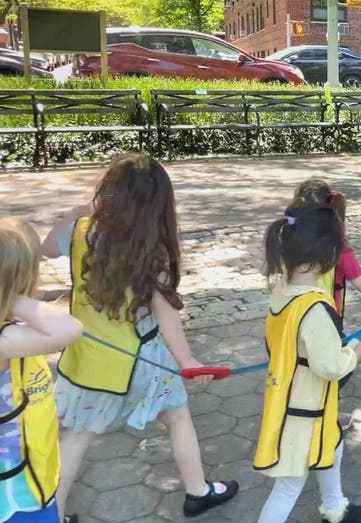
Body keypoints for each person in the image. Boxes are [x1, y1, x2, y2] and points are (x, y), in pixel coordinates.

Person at [41, 155, 238, 521]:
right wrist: (188, 362)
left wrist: (71, 214)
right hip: (144, 361)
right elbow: (166, 316)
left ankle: (54, 514)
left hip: (88, 362)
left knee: (75, 436)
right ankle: (198, 492)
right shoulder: (153, 250)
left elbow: (46, 250)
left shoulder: (80, 231)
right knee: (177, 417)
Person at [256, 204, 361, 523]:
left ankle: (335, 508)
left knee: (332, 444)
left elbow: (301, 345)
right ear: (326, 255)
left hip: (298, 398)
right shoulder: (315, 307)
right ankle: (334, 508)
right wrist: (355, 354)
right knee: (289, 486)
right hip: (304, 409)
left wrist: (339, 347)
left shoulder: (283, 291)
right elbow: (331, 367)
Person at [290, 179, 361, 428]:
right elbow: (360, 280)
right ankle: (321, 412)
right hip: (326, 321)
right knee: (341, 364)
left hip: (290, 319)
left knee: (302, 366)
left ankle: (314, 408)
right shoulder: (338, 246)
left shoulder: (288, 237)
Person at [0, 218, 83, 523]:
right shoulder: (5, 341)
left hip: (33, 473)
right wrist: (13, 297)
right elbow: (70, 328)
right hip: (15, 493)